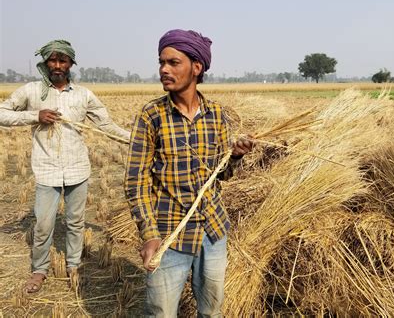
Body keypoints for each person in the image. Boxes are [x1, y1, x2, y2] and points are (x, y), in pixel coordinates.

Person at [125, 29, 253, 317]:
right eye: (161, 63)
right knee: (161, 313)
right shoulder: (151, 116)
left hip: (213, 231)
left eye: (173, 63)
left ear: (197, 67)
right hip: (170, 234)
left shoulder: (216, 115)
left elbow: (221, 175)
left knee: (211, 312)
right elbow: (135, 181)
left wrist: (234, 157)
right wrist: (149, 234)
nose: (163, 70)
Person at [0, 39, 131, 293]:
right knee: (44, 224)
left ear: (71, 64)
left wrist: (136, 139)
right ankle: (39, 270)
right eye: (53, 60)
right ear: (46, 63)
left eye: (63, 60)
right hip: (46, 170)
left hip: (77, 169)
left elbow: (107, 126)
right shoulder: (31, 91)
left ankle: (73, 266)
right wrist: (34, 116)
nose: (57, 65)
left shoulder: (84, 95)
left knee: (75, 222)